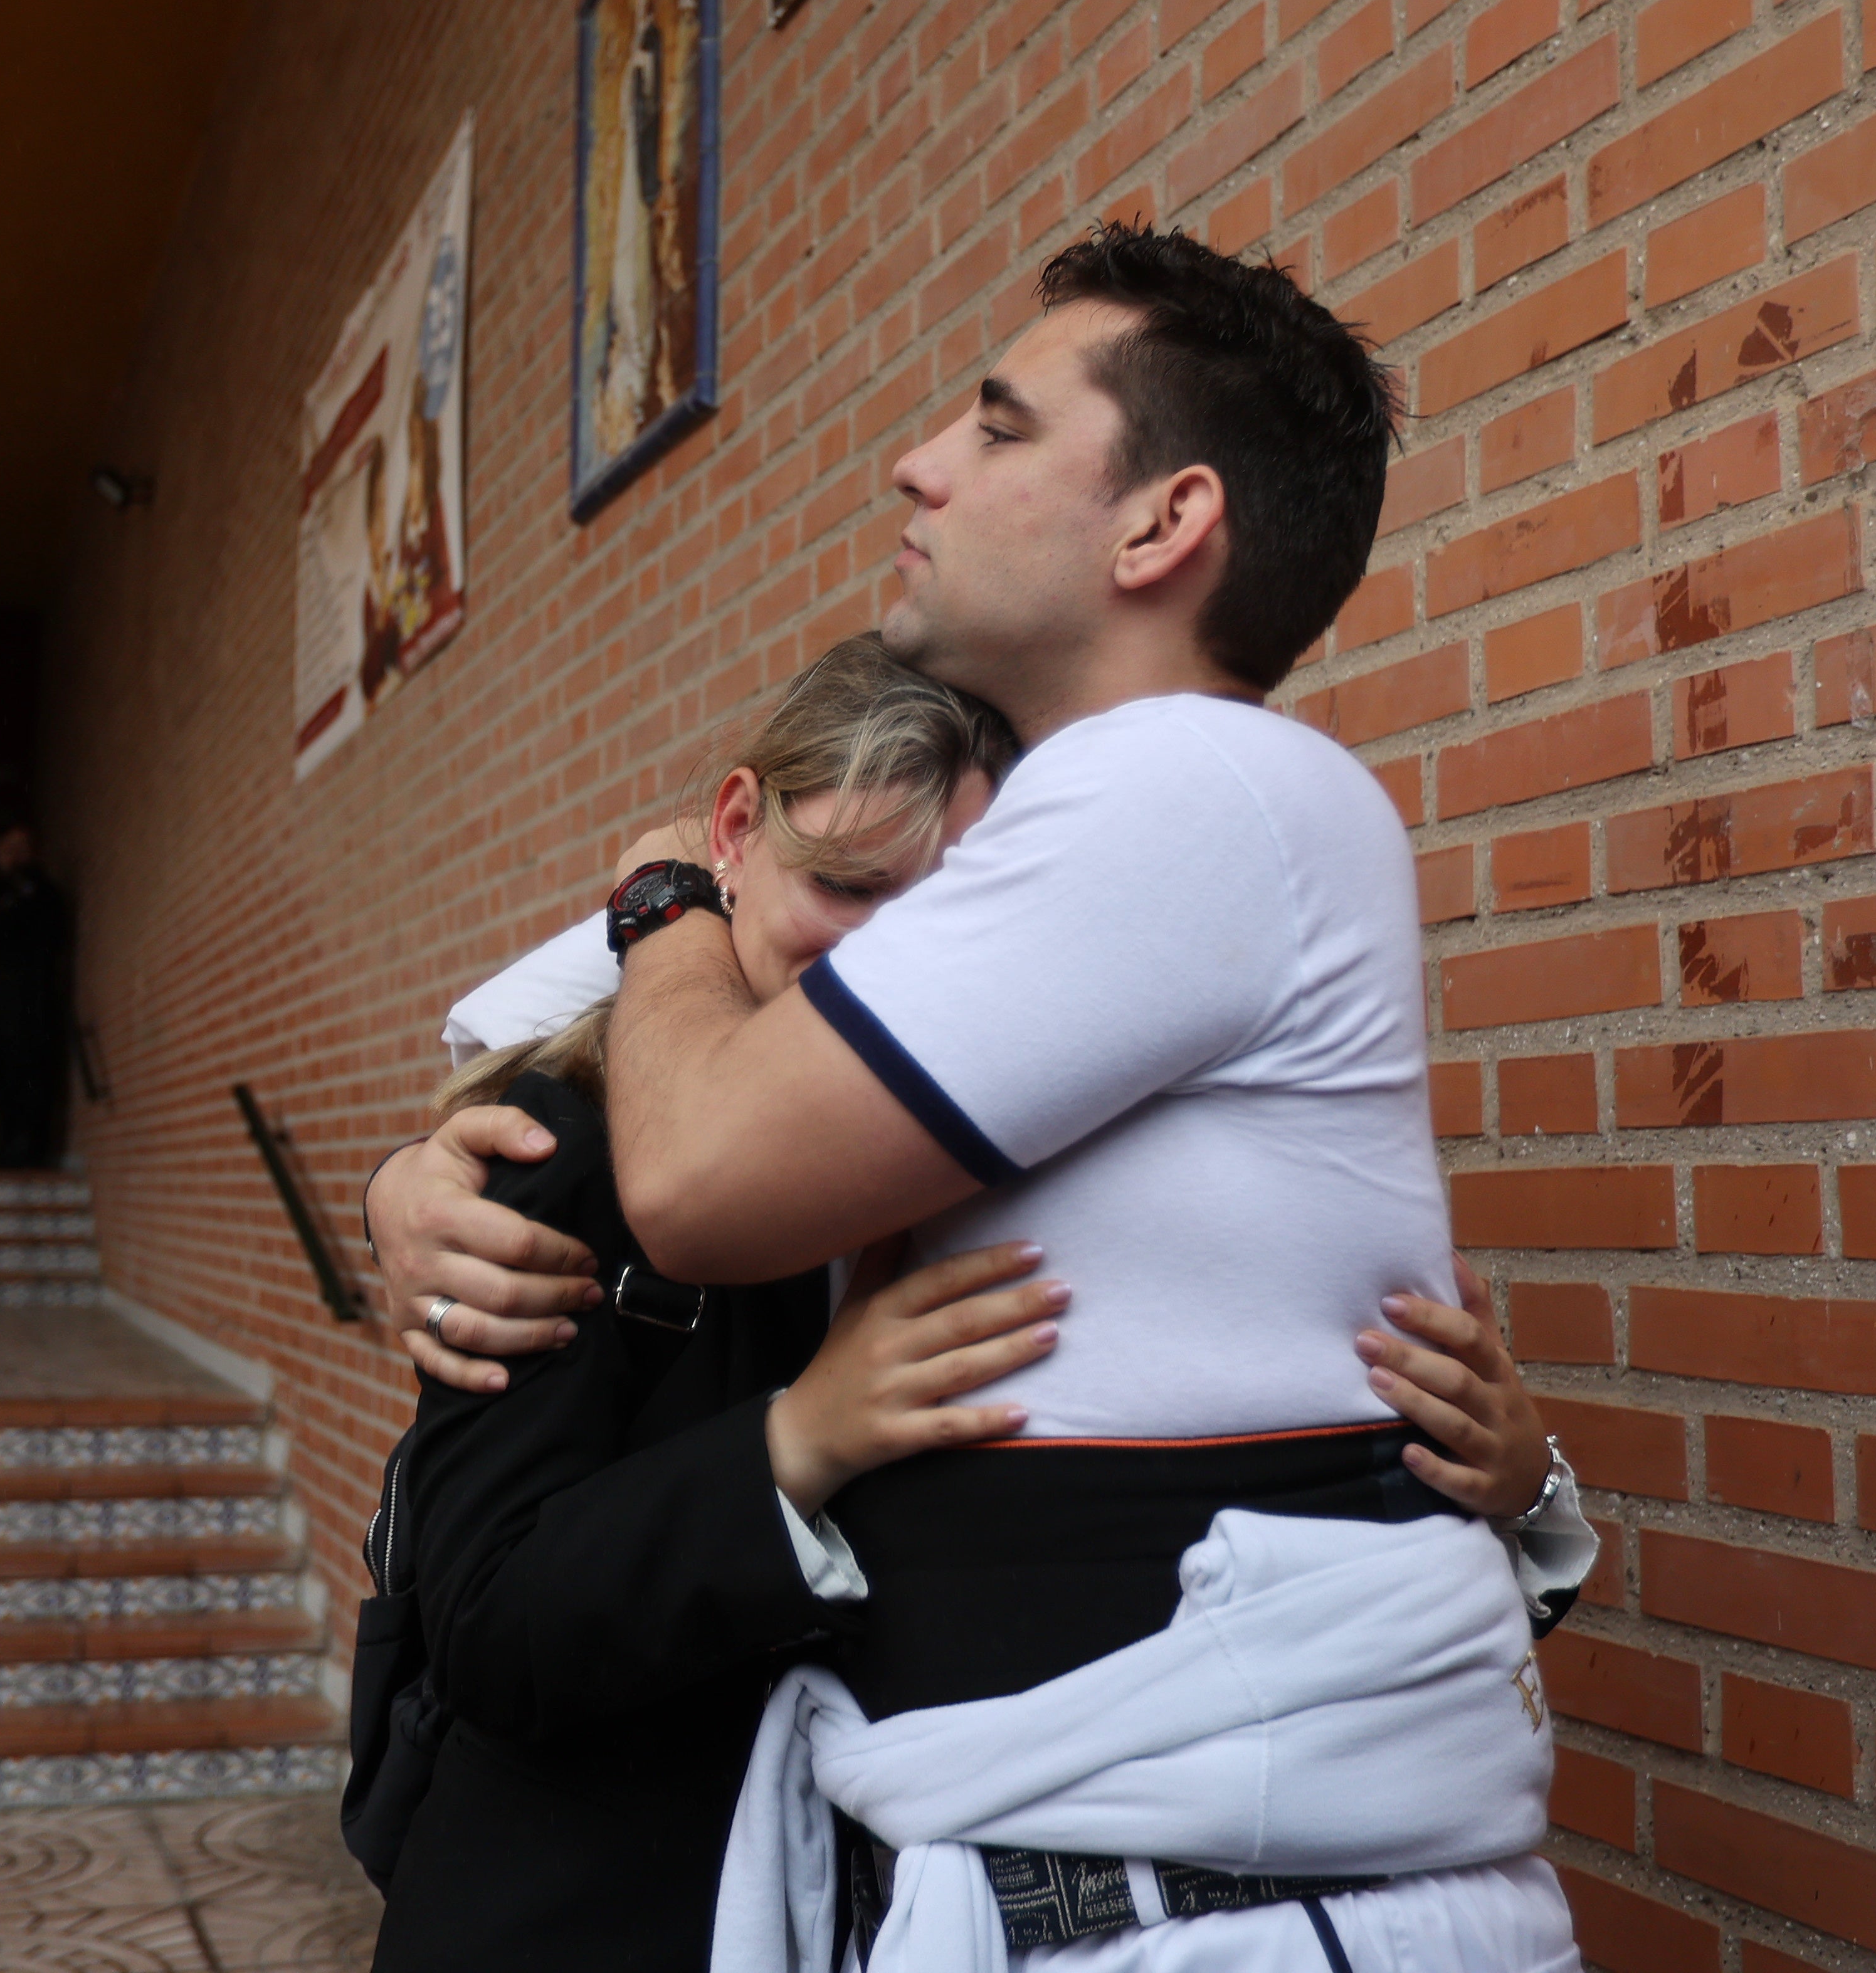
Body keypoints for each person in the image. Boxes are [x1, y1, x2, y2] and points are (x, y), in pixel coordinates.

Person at [376, 225, 1587, 1971]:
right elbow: (653, 1037)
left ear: (1161, 524)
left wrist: (658, 900)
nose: (918, 461)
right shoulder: (1098, 842)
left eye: (1000, 425)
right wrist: (424, 1170)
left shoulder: (1186, 782)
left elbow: (701, 1154)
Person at [371, 639, 1055, 1973]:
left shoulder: (974, 1147)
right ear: (736, 832)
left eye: (938, 914)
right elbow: (485, 1621)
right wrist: (795, 1443)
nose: (880, 957)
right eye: (845, 884)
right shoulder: (561, 1147)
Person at [0, 824, 73, 1166]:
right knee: (0, 1076)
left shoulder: (40, 892)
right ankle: (6, 1146)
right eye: (6, 849)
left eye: (19, 848)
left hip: (30, 1000)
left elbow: (50, 935)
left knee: (30, 1072)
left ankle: (29, 1148)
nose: (12, 856)